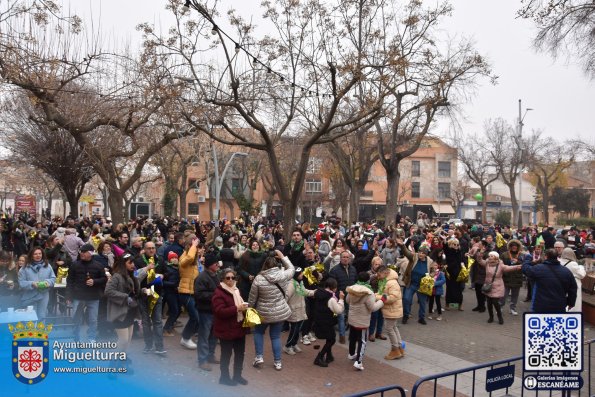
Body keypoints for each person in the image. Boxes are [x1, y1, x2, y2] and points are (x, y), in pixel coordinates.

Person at [248, 249, 294, 371]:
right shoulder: (282, 275)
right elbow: (292, 269)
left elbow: (252, 298)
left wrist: (249, 310)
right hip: (279, 312)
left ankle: (259, 357)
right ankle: (278, 362)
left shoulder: (258, 278)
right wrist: (283, 256)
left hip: (262, 312)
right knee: (275, 336)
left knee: (258, 332)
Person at [212, 268, 249, 386]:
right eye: (228, 278)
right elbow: (219, 312)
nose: (231, 280)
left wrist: (245, 309)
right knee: (226, 355)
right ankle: (224, 377)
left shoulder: (236, 290)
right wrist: (237, 308)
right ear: (222, 279)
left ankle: (237, 376)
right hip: (226, 330)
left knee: (240, 354)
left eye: (233, 278)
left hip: (238, 327)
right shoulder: (219, 293)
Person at [66, 243, 107, 342]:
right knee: (77, 319)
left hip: (93, 297)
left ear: (90, 253)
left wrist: (95, 281)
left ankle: (91, 337)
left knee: (93, 320)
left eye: (84, 252)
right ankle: (76, 337)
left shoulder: (98, 265)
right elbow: (69, 281)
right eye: (81, 252)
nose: (82, 254)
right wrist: (68, 297)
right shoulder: (75, 265)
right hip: (78, 296)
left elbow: (104, 279)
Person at [346, 272, 385, 371]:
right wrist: (382, 301)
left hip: (352, 318)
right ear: (368, 280)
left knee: (353, 338)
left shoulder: (352, 288)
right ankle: (358, 362)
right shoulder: (369, 292)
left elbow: (347, 300)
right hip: (362, 321)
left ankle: (351, 354)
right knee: (362, 341)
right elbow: (373, 308)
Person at [104, 254, 140, 358]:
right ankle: (112, 365)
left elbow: (134, 293)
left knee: (127, 341)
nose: (133, 265)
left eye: (133, 262)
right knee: (123, 341)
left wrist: (142, 291)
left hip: (130, 312)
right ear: (123, 264)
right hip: (120, 313)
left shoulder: (132, 275)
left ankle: (122, 363)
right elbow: (108, 291)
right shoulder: (117, 276)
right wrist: (125, 297)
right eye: (130, 262)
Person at [134, 241, 166, 355]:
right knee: (146, 322)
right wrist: (146, 268)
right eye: (149, 248)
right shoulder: (138, 261)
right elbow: (135, 277)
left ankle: (159, 347)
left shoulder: (160, 260)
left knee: (157, 321)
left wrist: (162, 276)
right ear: (144, 249)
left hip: (156, 294)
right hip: (143, 294)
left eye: (153, 248)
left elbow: (166, 273)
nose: (151, 250)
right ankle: (148, 345)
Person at [522, 248, 577, 313]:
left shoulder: (538, 268)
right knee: (557, 322)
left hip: (540, 305)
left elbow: (525, 269)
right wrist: (571, 303)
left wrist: (528, 258)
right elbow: (573, 288)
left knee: (541, 322)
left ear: (546, 256)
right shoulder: (566, 271)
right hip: (559, 305)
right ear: (557, 257)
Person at [476, 251, 522, 324]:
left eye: (491, 256)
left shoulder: (500, 264)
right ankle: (491, 317)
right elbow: (480, 261)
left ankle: (500, 317)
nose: (490, 257)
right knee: (489, 303)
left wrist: (517, 267)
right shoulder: (487, 263)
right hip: (488, 286)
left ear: (496, 257)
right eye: (489, 256)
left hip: (497, 286)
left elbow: (508, 268)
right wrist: (479, 255)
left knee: (495, 302)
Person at [194, 253, 221, 371]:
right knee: (204, 336)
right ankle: (202, 360)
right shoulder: (201, 277)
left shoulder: (216, 275)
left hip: (215, 310)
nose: (218, 265)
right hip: (205, 311)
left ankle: (210, 355)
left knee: (214, 335)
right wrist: (216, 295)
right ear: (210, 265)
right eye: (216, 263)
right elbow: (199, 294)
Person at [398, 239, 433, 325]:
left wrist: (431, 275)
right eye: (420, 252)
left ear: (426, 254)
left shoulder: (429, 261)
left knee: (422, 303)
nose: (421, 254)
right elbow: (407, 253)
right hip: (412, 283)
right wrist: (402, 245)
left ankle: (421, 318)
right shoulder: (414, 257)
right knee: (406, 299)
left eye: (423, 253)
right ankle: (406, 315)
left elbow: (432, 271)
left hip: (422, 285)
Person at [312, 277, 344, 367]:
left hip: (320, 319)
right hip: (326, 321)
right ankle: (319, 357)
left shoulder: (320, 293)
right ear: (333, 287)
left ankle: (329, 356)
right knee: (332, 339)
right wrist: (341, 299)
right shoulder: (331, 299)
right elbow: (339, 310)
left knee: (329, 338)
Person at [374, 265, 404, 360]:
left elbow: (392, 298)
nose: (378, 277)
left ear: (386, 273)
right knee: (393, 327)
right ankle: (399, 348)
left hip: (392, 309)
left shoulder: (392, 283)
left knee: (389, 329)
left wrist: (376, 297)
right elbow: (383, 293)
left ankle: (395, 350)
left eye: (379, 275)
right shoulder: (387, 281)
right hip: (391, 309)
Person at [178, 236, 203, 350]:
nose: (197, 249)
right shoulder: (184, 256)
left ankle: (186, 338)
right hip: (185, 292)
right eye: (195, 247)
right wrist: (193, 246)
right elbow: (187, 259)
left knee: (197, 318)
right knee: (195, 318)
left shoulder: (194, 259)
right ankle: (185, 338)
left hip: (193, 292)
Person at [284, 267, 315, 355]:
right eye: (301, 273)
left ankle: (294, 344)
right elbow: (286, 297)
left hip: (301, 309)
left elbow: (304, 292)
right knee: (294, 329)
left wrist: (314, 292)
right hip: (294, 310)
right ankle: (287, 346)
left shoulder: (300, 283)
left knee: (298, 329)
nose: (302, 275)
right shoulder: (291, 284)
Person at [18, 247, 55, 320]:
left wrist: (48, 282)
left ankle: (41, 331)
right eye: (35, 254)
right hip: (30, 296)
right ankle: (32, 331)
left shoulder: (47, 265)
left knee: (42, 315)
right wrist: (32, 283)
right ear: (31, 255)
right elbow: (21, 283)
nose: (38, 255)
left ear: (42, 255)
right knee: (31, 316)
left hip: (44, 295)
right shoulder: (24, 268)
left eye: (39, 253)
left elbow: (53, 278)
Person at [329, 251, 357, 343]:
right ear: (340, 258)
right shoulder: (335, 270)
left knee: (351, 317)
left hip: (351, 297)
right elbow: (332, 286)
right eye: (343, 257)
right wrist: (337, 295)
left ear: (349, 259)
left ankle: (352, 336)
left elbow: (355, 282)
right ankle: (342, 336)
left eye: (347, 257)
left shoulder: (353, 269)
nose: (345, 259)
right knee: (341, 317)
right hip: (340, 298)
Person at [500, 240, 524, 316]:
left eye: (515, 247)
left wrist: (518, 261)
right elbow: (500, 265)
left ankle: (512, 308)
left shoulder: (522, 255)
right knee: (504, 295)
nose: (514, 248)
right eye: (512, 247)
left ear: (518, 247)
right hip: (506, 277)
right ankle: (500, 307)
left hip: (517, 278)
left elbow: (525, 265)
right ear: (510, 247)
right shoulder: (504, 254)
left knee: (515, 295)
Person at [559, 248, 586, 312]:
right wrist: (581, 267)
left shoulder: (559, 262)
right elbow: (582, 275)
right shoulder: (573, 264)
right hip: (574, 284)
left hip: (561, 283)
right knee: (574, 301)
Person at [162, 251, 181, 337]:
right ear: (169, 259)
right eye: (172, 258)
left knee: (178, 310)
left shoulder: (179, 268)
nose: (174, 259)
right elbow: (163, 282)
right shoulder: (167, 268)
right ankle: (166, 329)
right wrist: (173, 285)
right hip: (169, 292)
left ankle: (170, 324)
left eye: (176, 258)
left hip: (177, 292)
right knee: (175, 311)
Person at [443, 238, 464, 311]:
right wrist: (445, 241)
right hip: (450, 273)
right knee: (449, 288)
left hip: (458, 272)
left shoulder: (459, 251)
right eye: (454, 244)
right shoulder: (448, 251)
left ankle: (460, 305)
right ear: (450, 244)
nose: (456, 246)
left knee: (459, 289)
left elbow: (461, 260)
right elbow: (445, 248)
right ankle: (447, 304)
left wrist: (463, 264)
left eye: (457, 244)